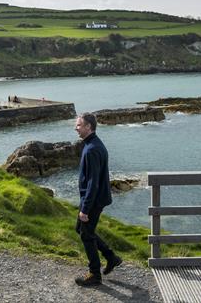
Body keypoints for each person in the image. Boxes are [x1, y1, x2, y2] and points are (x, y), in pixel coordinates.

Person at [74, 113, 122, 286]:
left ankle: (95, 274)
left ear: (88, 127)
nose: (75, 128)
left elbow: (93, 183)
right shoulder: (92, 144)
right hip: (93, 197)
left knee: (86, 234)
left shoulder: (92, 149)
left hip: (93, 199)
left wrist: (85, 209)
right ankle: (111, 257)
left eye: (79, 125)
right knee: (81, 229)